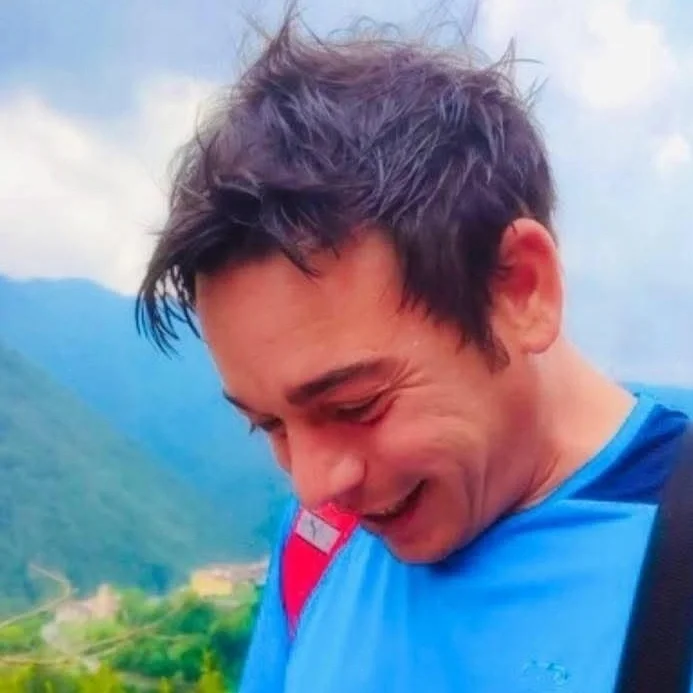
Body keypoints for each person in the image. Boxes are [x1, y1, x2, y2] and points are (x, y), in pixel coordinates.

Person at [136, 11, 691, 693]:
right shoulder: (316, 543)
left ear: (519, 287)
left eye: (356, 405)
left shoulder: (668, 544)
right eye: (271, 425)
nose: (315, 484)